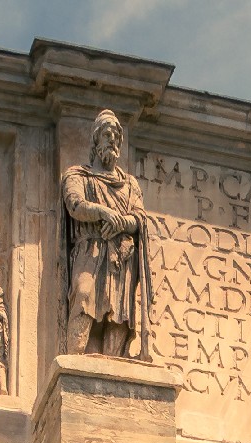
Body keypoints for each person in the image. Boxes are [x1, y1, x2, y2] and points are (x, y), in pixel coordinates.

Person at [61, 109, 149, 356]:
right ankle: (74, 359)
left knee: (118, 313)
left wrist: (121, 223)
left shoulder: (130, 184)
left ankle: (112, 365)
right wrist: (102, 212)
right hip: (90, 249)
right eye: (106, 134)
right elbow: (74, 204)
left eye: (115, 136)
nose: (111, 139)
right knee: (83, 294)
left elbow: (139, 218)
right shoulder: (77, 175)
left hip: (121, 257)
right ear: (96, 140)